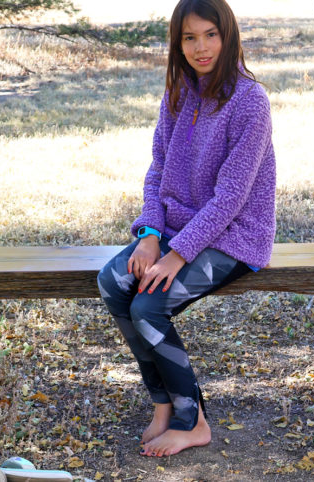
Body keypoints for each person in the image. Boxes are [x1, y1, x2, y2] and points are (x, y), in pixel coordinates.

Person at [97, 0, 276, 457]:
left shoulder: (250, 101)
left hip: (235, 235)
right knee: (115, 282)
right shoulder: (178, 92)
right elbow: (158, 169)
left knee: (149, 306)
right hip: (176, 229)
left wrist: (177, 256)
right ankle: (163, 403)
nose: (201, 48)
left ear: (228, 34)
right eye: (189, 37)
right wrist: (151, 236)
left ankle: (191, 419)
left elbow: (231, 198)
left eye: (210, 35)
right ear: (178, 43)